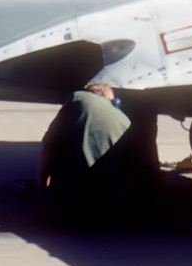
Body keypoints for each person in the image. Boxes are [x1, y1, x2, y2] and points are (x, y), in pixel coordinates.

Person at [37, 82, 153, 227]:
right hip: (108, 211)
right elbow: (130, 173)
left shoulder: (78, 99)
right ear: (111, 100)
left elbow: (47, 152)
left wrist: (41, 190)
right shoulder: (125, 121)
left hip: (63, 207)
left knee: (50, 211)